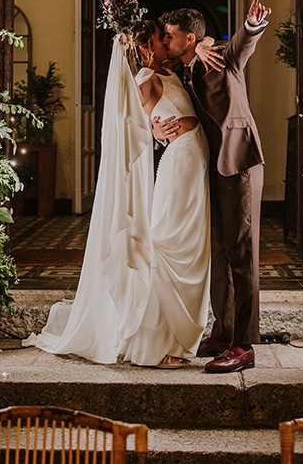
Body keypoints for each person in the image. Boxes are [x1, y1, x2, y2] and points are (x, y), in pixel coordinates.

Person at [26, 19, 210, 367]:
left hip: (192, 162)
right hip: (178, 165)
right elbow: (124, 125)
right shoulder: (143, 79)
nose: (165, 43)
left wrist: (202, 41)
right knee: (165, 248)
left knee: (189, 247)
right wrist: (152, 128)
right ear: (144, 47)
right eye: (160, 39)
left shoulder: (168, 70)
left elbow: (199, 45)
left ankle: (174, 340)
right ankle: (152, 347)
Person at [160, 0, 270, 374]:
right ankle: (223, 332)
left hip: (239, 162)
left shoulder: (221, 54)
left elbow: (243, 43)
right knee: (219, 252)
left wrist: (252, 25)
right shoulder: (185, 67)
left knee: (242, 253)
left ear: (190, 37)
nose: (167, 40)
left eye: (172, 35)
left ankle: (243, 345)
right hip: (210, 167)